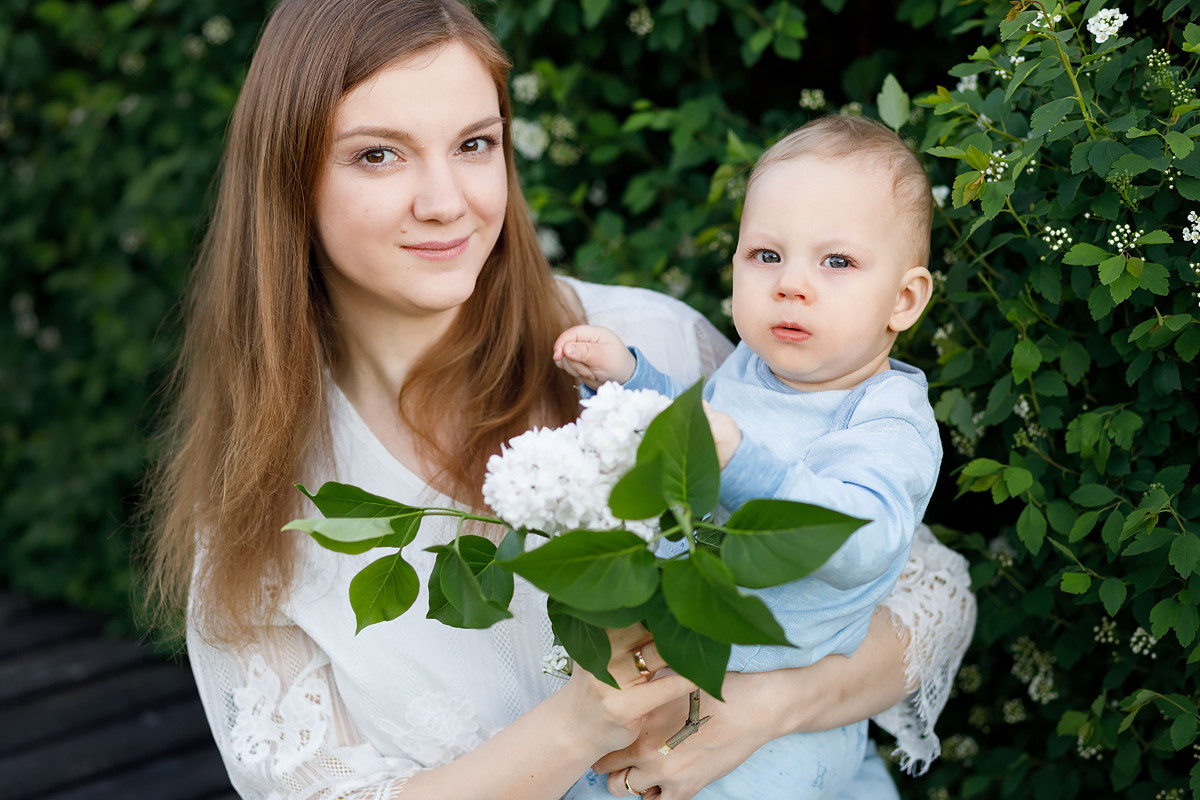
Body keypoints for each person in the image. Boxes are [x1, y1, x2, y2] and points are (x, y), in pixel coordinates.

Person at [142, 1, 976, 798]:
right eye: (378, 154)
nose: (446, 201)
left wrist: (762, 710)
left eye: (474, 144)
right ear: (289, 180)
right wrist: (577, 728)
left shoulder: (650, 343)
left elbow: (923, 594)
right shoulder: (256, 509)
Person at [555, 115, 940, 799]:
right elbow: (693, 430)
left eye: (837, 262)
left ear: (904, 300)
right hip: (682, 670)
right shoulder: (753, 369)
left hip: (783, 725)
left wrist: (738, 456)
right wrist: (631, 379)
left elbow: (863, 541)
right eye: (767, 256)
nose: (792, 284)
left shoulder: (885, 416)